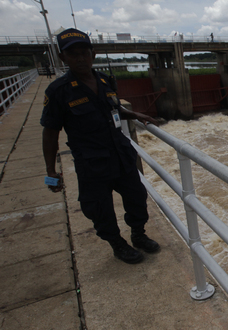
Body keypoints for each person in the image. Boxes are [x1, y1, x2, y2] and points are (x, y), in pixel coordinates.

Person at [41, 28, 160, 264]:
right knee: (99, 208)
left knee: (137, 197)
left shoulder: (105, 80)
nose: (80, 58)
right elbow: (50, 132)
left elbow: (114, 109)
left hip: (120, 155)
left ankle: (138, 234)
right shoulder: (58, 92)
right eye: (73, 54)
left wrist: (133, 113)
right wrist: (50, 171)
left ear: (92, 54)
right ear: (62, 57)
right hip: (92, 162)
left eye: (84, 52)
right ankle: (117, 244)